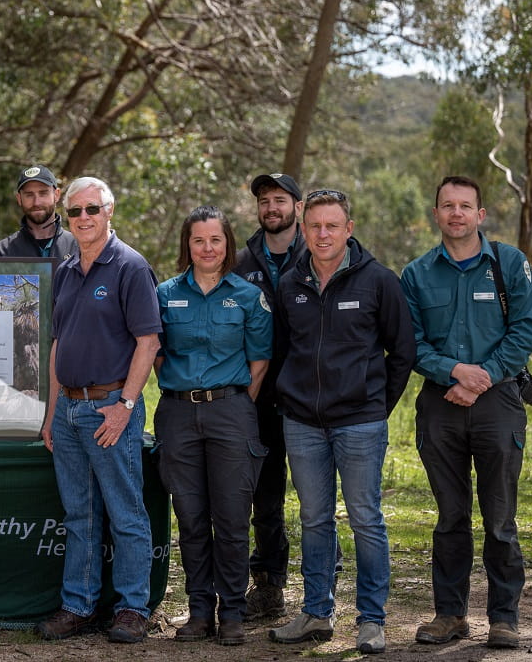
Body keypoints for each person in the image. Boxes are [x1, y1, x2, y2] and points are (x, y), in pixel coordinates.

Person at [268, 189, 415, 655]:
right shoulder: (291, 283)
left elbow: (403, 352)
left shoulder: (378, 281)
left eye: (332, 225)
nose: (323, 234)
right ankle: (317, 612)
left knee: (366, 520)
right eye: (315, 226)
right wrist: (291, 401)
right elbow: (281, 350)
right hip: (304, 425)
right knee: (314, 519)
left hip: (360, 424)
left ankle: (371, 620)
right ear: (304, 229)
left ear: (348, 229)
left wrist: (374, 406)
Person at [400, 176, 532, 650]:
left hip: (498, 401)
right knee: (450, 516)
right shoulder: (416, 274)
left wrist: (483, 376)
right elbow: (409, 344)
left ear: (480, 215)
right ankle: (450, 615)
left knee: (500, 518)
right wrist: (454, 371)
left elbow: (525, 329)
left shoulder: (510, 264)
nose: (456, 213)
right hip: (440, 404)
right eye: (447, 206)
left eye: (465, 206)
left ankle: (505, 617)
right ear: (436, 214)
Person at [35, 176, 161, 645]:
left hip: (110, 410)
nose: (83, 218)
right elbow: (55, 345)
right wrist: (51, 414)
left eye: (92, 209)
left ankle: (132, 608)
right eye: (75, 212)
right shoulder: (65, 270)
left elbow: (148, 342)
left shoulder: (130, 266)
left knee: (126, 513)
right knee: (79, 515)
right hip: (68, 411)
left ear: (110, 211)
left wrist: (125, 406)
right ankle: (78, 606)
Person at [154, 206, 273, 645]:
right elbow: (158, 353)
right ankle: (200, 611)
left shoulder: (246, 296)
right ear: (188, 244)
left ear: (228, 245)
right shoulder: (165, 294)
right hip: (178, 413)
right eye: (199, 240)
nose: (207, 248)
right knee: (190, 516)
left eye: (216, 240)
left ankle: (234, 614)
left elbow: (259, 360)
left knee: (232, 517)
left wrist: (232, 405)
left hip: (232, 412)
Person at [233, 173, 304, 619]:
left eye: (280, 199)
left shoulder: (317, 253)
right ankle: (269, 583)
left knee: (317, 496)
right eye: (264, 200)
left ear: (297, 206)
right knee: (265, 494)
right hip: (256, 398)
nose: (271, 207)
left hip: (311, 397)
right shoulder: (241, 261)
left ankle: (323, 583)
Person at [0, 165, 79, 259]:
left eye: (43, 193)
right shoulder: (2, 252)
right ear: (19, 199)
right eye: (29, 195)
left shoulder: (79, 246)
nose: (36, 202)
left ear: (56, 195)